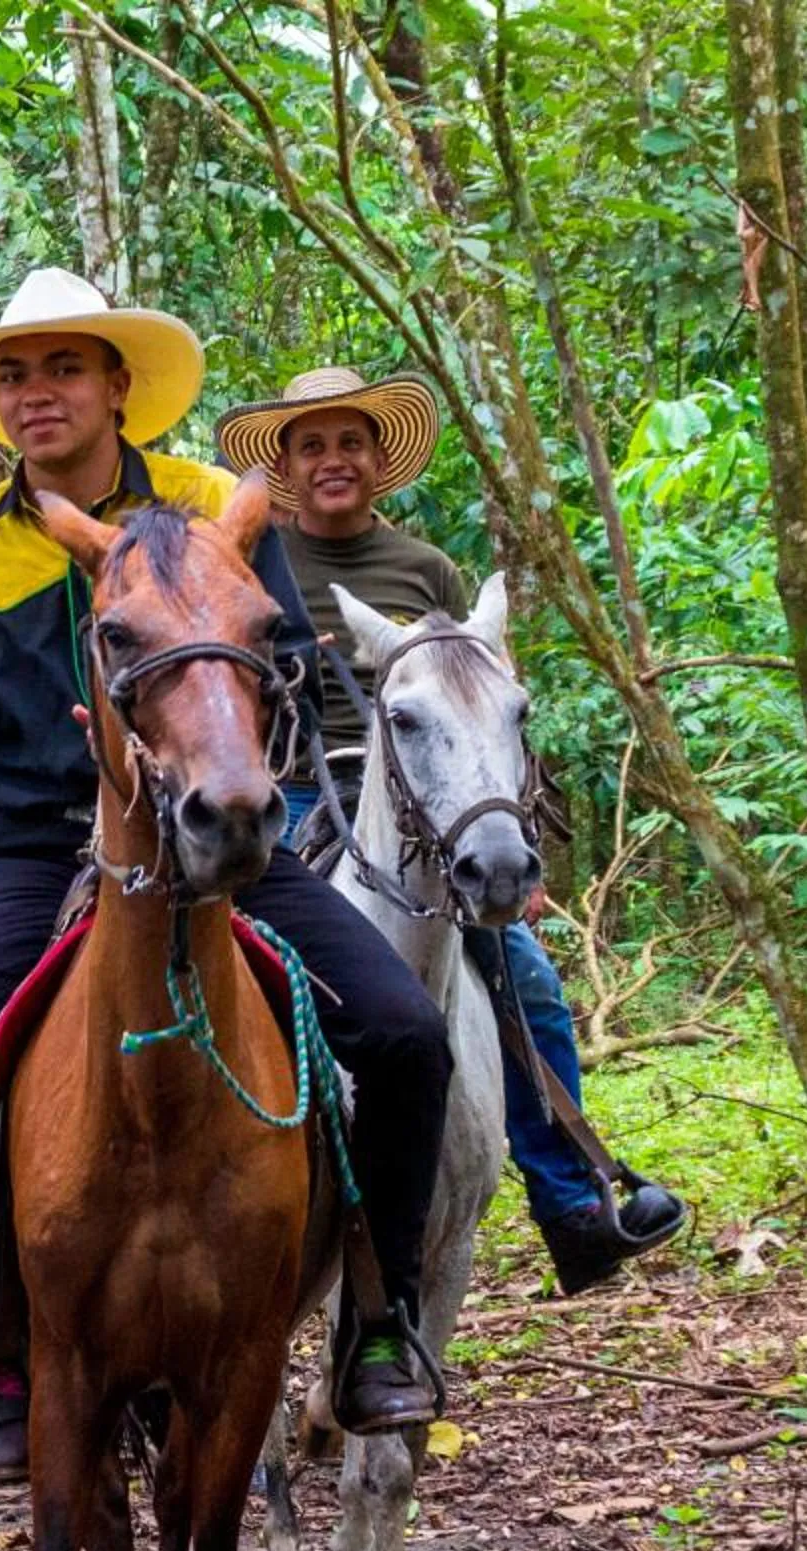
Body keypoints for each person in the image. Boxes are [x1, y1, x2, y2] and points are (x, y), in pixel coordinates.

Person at [0, 268, 455, 1480]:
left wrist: (257, 809)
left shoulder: (212, 510)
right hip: (38, 843)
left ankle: (378, 1324)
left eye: (62, 368)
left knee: (407, 1035)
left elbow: (291, 671)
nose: (34, 394)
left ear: (118, 387)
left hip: (223, 843)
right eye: (14, 373)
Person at [215, 365, 686, 1294]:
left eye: (351, 441)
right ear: (286, 465)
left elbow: (482, 711)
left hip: (436, 805)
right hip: (306, 790)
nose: (333, 460)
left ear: (378, 459)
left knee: (533, 986)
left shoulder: (425, 568)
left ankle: (574, 1202)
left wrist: (506, 836)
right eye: (312, 445)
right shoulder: (260, 564)